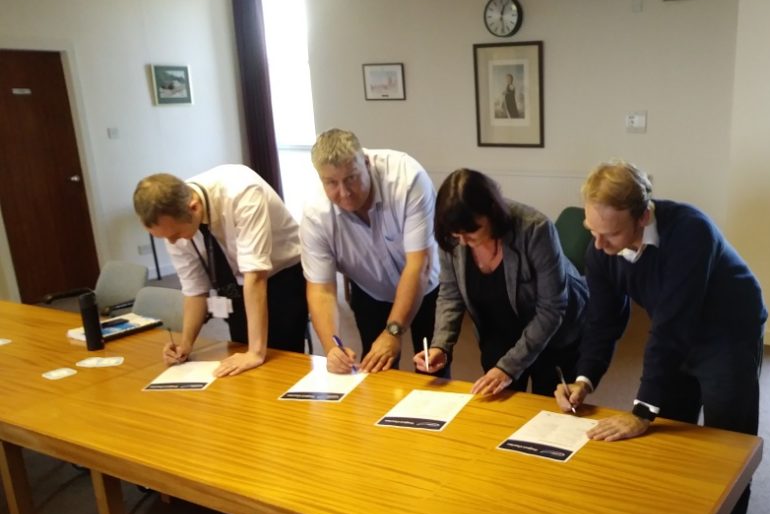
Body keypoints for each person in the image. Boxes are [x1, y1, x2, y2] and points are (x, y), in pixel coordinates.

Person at [554, 160, 768, 514]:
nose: (597, 244)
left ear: (643, 215)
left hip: (727, 334)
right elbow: (603, 320)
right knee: (667, 450)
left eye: (608, 234)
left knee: (727, 455)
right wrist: (584, 378)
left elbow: (670, 328)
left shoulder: (691, 231)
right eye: (591, 230)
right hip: (678, 334)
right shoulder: (601, 248)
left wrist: (641, 410)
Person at [414, 169, 588, 396]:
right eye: (457, 235)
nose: (464, 243)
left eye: (472, 232)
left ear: (493, 213)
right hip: (498, 328)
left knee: (548, 406)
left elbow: (551, 309)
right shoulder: (453, 236)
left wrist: (508, 368)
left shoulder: (535, 229)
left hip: (554, 333)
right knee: (500, 403)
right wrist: (440, 346)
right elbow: (450, 294)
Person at [133, 166, 308, 377]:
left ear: (194, 207)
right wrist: (185, 346)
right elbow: (194, 290)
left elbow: (255, 276)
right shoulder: (172, 217)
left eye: (176, 234)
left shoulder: (242, 193)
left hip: (281, 277)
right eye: (164, 237)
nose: (172, 242)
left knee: (280, 365)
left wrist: (255, 352)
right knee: (241, 366)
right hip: (234, 286)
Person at [301, 129, 444, 375]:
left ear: (366, 163)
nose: (344, 193)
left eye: (351, 179)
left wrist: (393, 331)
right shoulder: (316, 215)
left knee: (432, 367)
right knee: (378, 366)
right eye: (331, 183)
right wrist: (332, 347)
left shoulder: (407, 180)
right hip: (370, 290)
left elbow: (418, 265)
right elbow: (321, 289)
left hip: (426, 285)